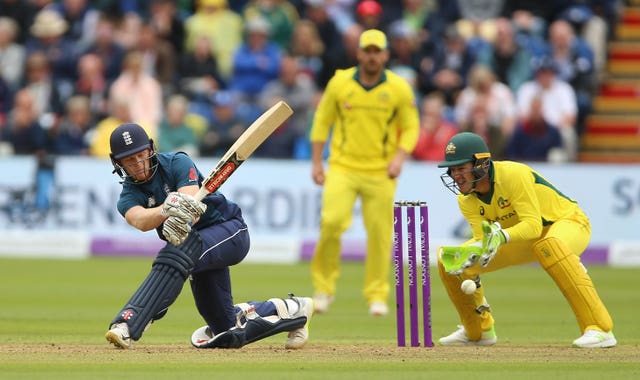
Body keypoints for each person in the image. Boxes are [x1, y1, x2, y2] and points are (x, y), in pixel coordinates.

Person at [104, 122, 313, 350]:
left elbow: (191, 210)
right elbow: (140, 220)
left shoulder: (177, 162)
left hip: (230, 231)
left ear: (150, 150)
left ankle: (130, 322)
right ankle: (293, 310)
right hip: (195, 252)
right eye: (129, 161)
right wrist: (165, 209)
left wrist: (180, 212)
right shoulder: (128, 195)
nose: (138, 164)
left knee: (177, 251)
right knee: (224, 326)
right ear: (119, 163)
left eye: (140, 155)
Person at [435, 131, 616, 348]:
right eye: (453, 170)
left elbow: (532, 226)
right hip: (523, 238)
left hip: (568, 222)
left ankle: (600, 329)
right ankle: (479, 331)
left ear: (482, 164)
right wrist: (472, 252)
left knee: (550, 246)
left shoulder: (513, 174)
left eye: (461, 168)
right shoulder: (466, 200)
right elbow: (483, 240)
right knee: (450, 259)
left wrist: (501, 236)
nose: (456, 176)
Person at [309, 29, 419, 316]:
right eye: (367, 51)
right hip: (343, 167)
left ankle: (376, 295)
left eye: (377, 51)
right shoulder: (340, 82)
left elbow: (410, 127)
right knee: (331, 223)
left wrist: (399, 158)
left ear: (385, 55)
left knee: (380, 233)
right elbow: (322, 122)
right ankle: (324, 289)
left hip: (380, 171)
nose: (372, 56)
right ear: (358, 53)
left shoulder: (398, 88)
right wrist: (317, 162)